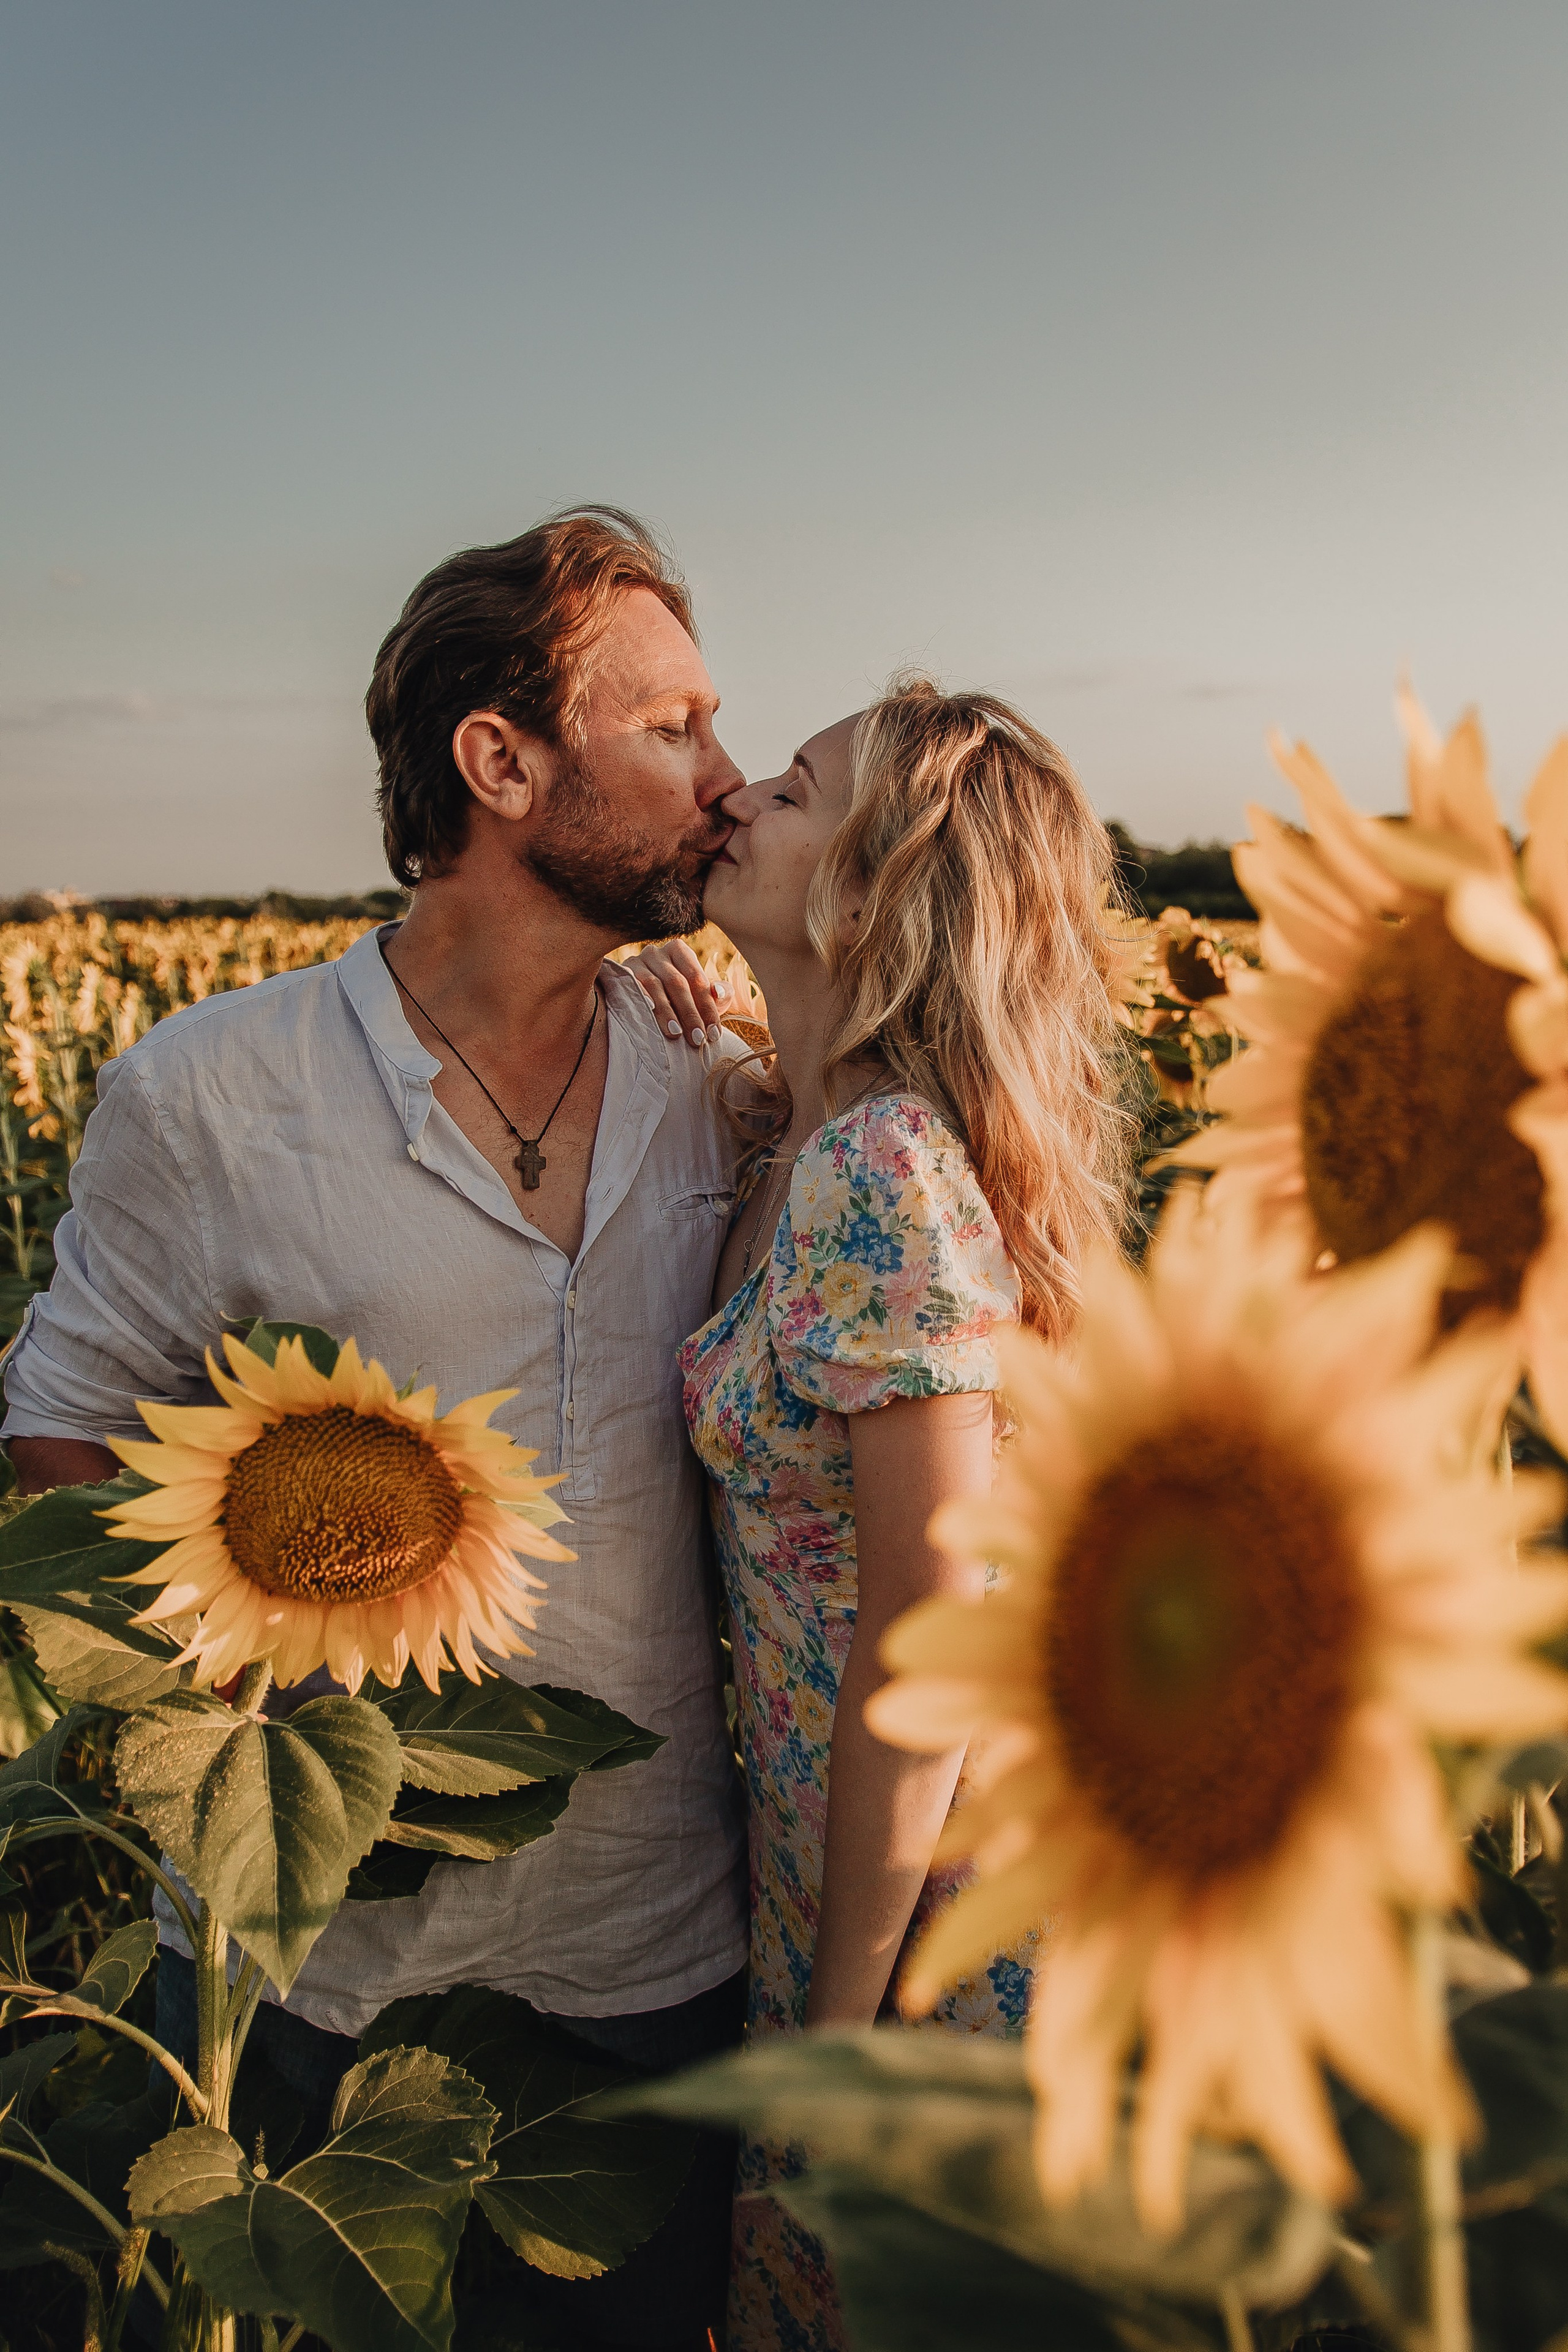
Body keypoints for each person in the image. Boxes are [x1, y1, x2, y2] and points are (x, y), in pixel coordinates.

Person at [2, 507, 752, 2352]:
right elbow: (62, 1434)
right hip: (317, 1966)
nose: (724, 779)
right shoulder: (212, 1093)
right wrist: (247, 1710)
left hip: (656, 1932)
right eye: (673, 728)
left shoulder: (719, 1079)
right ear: (501, 762)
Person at [631, 680, 1127, 2352]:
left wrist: (828, 2048)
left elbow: (929, 1631)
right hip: (841, 1872)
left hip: (928, 1923)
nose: (735, 801)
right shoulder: (795, 1136)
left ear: (877, 890)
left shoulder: (881, 1170)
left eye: (790, 791)